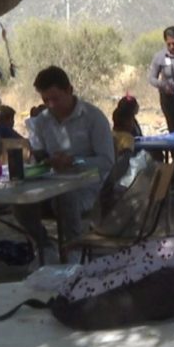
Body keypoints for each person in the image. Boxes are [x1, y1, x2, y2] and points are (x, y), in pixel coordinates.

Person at [17, 65, 116, 261]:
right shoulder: (42, 121)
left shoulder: (93, 118)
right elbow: (39, 157)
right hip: (51, 184)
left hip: (88, 186)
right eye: (46, 100)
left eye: (55, 99)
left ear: (69, 90)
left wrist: (74, 161)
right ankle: (44, 246)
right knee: (19, 202)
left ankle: (75, 250)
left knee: (65, 197)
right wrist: (44, 161)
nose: (51, 105)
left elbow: (107, 161)